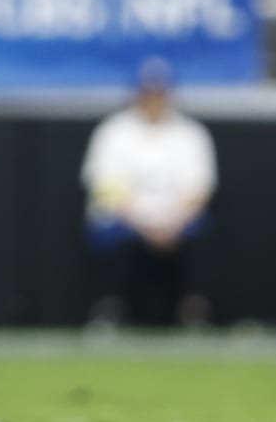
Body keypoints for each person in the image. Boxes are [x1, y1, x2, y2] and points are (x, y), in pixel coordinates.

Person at [79, 57, 217, 327]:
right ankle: (109, 310)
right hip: (126, 219)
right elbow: (105, 188)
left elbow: (199, 190)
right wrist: (144, 224)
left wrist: (172, 222)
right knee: (108, 233)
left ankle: (194, 311)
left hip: (176, 220)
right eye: (148, 92)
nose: (154, 99)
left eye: (160, 92)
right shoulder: (113, 132)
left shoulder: (190, 134)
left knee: (204, 232)